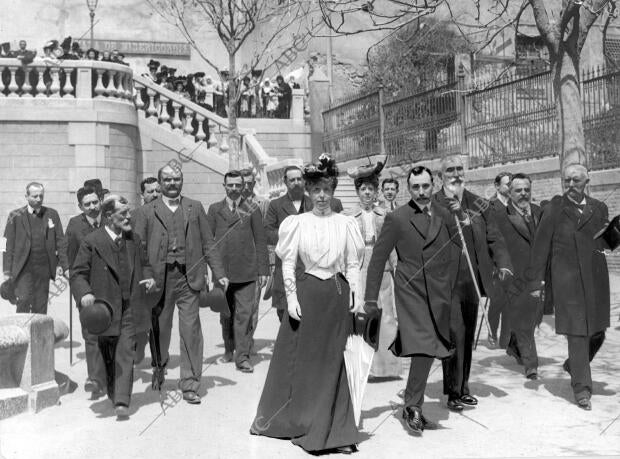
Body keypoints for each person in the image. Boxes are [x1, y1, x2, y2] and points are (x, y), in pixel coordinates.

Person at [251, 154, 364, 454]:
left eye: (327, 190)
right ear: (308, 192)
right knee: (305, 359)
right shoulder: (296, 223)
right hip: (306, 294)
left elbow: (353, 263)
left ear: (333, 190)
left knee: (335, 360)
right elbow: (287, 263)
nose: (322, 196)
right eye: (316, 191)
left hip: (337, 296)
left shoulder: (346, 223)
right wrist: (290, 298)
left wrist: (355, 293)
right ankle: (302, 420)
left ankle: (336, 429)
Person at [365, 165, 459, 433]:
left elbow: (458, 247)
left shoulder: (444, 213)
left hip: (439, 291)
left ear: (434, 185)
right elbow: (378, 259)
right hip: (410, 289)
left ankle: (411, 402)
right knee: (422, 343)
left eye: (426, 186)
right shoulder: (397, 218)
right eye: (415, 187)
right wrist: (371, 299)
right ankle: (413, 407)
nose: (421, 192)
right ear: (408, 188)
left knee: (429, 346)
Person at [133, 163, 228, 404]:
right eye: (167, 180)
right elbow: (139, 248)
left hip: (189, 278)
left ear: (182, 181)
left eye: (176, 179)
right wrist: (144, 276)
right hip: (159, 280)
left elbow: (209, 242)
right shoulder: (146, 211)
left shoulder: (194, 207)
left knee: (191, 330)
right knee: (161, 329)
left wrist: (219, 272)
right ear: (160, 182)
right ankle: (159, 367)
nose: (172, 183)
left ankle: (190, 384)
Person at [432, 155, 512, 412]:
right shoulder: (433, 203)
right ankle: (454, 391)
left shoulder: (479, 203)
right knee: (454, 332)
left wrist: (504, 263)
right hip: (446, 281)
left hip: (472, 280)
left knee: (466, 334)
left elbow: (494, 237)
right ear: (440, 176)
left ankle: (462, 386)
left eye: (459, 169)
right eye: (450, 170)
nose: (455, 174)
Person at [529, 164, 612, 410]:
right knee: (577, 333)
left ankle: (574, 365)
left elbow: (606, 242)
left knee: (597, 331)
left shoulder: (599, 207)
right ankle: (582, 389)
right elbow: (540, 247)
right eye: (567, 181)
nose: (571, 185)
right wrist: (535, 282)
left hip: (596, 280)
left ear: (588, 181)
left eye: (576, 180)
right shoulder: (554, 209)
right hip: (567, 282)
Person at [71, 195, 156, 419]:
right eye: (123, 213)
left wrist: (149, 278)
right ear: (109, 216)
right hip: (104, 309)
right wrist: (85, 293)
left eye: (129, 212)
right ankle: (110, 389)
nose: (129, 217)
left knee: (125, 352)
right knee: (107, 354)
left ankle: (122, 401)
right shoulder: (92, 241)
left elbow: (146, 264)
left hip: (130, 306)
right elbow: (78, 273)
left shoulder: (134, 239)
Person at [206, 171, 269, 372]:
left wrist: (263, 269)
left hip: (247, 272)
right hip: (222, 273)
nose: (234, 188)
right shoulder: (214, 209)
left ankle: (242, 357)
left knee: (244, 315)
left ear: (243, 187)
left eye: (237, 185)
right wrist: (212, 271)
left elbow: (260, 240)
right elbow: (208, 243)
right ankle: (228, 349)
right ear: (224, 186)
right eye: (230, 185)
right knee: (226, 314)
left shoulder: (252, 208)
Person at [265, 165, 345, 321]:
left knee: (313, 316)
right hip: (286, 267)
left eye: (299, 179)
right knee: (286, 315)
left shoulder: (316, 203)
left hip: (312, 268)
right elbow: (268, 233)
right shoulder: (275, 205)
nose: (296, 182)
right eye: (292, 180)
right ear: (285, 182)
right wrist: (293, 238)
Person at [346, 164, 401, 378]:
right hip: (359, 267)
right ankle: (362, 367)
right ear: (357, 192)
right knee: (362, 313)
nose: (367, 193)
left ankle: (386, 367)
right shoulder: (349, 216)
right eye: (363, 189)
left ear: (376, 191)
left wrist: (396, 266)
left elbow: (391, 245)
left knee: (386, 314)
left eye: (370, 189)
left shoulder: (385, 215)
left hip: (382, 267)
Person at [495, 173, 542, 380]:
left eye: (526, 190)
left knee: (537, 316)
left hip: (539, 275)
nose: (523, 194)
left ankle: (514, 344)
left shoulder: (540, 212)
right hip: (516, 277)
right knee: (524, 318)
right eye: (518, 190)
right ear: (510, 193)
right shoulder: (500, 216)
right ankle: (531, 364)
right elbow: (495, 246)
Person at [3, 182, 68, 314]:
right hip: (22, 267)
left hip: (43, 267)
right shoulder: (15, 216)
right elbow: (6, 245)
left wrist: (62, 264)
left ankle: (39, 333)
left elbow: (61, 241)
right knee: (24, 300)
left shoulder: (52, 214)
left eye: (41, 196)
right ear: (26, 196)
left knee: (41, 304)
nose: (39, 199)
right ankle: (22, 333)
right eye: (35, 196)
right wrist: (6, 270)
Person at [65, 186, 106, 397]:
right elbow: (68, 256)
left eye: (95, 202)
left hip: (110, 288)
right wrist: (79, 290)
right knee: (91, 335)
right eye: (87, 204)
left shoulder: (110, 220)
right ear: (80, 206)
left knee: (110, 333)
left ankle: (109, 374)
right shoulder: (74, 226)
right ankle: (95, 380)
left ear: (100, 201)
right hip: (86, 288)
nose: (92, 207)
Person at [488, 171, 513, 349]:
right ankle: (492, 332)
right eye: (507, 184)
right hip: (495, 263)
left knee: (510, 302)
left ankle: (506, 338)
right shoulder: (489, 206)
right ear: (497, 186)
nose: (510, 188)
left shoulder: (516, 205)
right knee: (497, 300)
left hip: (513, 262)